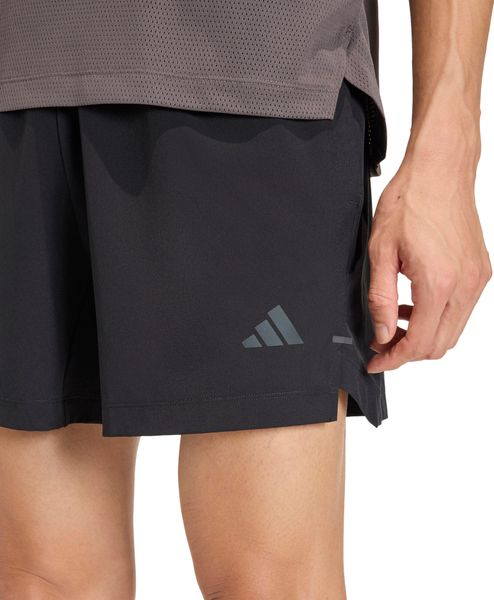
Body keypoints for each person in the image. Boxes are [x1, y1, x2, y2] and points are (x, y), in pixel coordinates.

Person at [0, 1, 491, 598]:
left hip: (263, 72)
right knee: (37, 582)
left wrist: (448, 153)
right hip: (17, 77)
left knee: (271, 582)